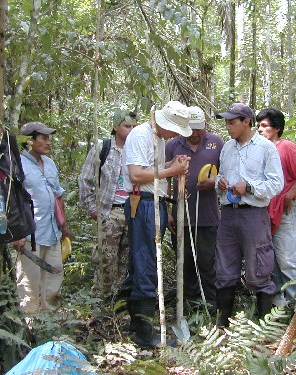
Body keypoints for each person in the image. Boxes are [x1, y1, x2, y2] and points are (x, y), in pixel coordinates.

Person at [122, 100, 192, 347]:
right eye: (175, 129)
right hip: (143, 204)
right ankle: (145, 334)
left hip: (154, 202)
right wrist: (171, 172)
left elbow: (153, 169)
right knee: (146, 263)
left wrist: (171, 166)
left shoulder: (159, 139)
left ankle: (136, 323)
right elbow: (136, 175)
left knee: (145, 260)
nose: (175, 135)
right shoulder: (141, 135)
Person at [214, 103, 283, 326]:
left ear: (246, 122)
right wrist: (220, 183)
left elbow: (276, 184)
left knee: (259, 268)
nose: (228, 127)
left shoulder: (266, 148)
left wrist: (250, 187)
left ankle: (264, 325)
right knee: (224, 268)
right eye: (226, 122)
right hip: (227, 214)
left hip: (253, 214)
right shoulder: (226, 148)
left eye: (232, 122)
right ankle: (222, 324)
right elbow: (220, 177)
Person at [165, 106, 224, 314]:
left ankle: (211, 306)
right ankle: (188, 308)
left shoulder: (217, 142)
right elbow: (166, 178)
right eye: (192, 129)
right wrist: (168, 210)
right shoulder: (173, 144)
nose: (196, 133)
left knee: (207, 262)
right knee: (185, 263)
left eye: (200, 129)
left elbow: (226, 174)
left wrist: (213, 182)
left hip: (208, 217)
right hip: (181, 216)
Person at [256, 108, 296, 308]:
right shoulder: (259, 148)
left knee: (288, 260)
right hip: (263, 212)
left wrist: (291, 193)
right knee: (270, 261)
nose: (260, 129)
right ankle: (279, 306)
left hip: (284, 212)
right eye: (258, 126)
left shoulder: (286, 147)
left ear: (277, 128)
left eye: (264, 126)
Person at [79, 109, 137, 304]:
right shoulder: (102, 149)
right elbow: (86, 179)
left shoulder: (137, 149)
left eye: (134, 127)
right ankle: (101, 304)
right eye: (127, 126)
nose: (131, 130)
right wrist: (93, 210)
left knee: (127, 261)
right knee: (105, 261)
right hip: (109, 211)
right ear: (115, 126)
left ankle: (120, 305)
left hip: (132, 211)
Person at [13, 121, 72, 313]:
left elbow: (58, 195)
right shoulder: (18, 165)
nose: (48, 143)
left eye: (49, 139)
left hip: (53, 232)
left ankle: (50, 323)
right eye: (43, 138)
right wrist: (17, 233)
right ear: (30, 141)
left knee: (54, 279)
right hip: (30, 235)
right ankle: (30, 325)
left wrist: (64, 226)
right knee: (29, 283)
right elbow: (12, 201)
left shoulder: (50, 163)